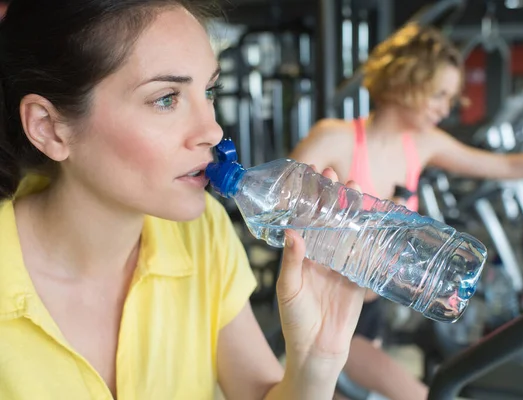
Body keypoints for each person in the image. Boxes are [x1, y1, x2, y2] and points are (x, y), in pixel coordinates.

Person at [0, 1, 369, 399]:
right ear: (49, 128)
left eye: (209, 90)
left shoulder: (201, 232)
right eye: (166, 99)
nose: (212, 130)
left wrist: (316, 361)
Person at [291, 23, 523, 400]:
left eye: (449, 97)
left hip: (373, 310)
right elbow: (282, 211)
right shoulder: (334, 138)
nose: (445, 107)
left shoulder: (421, 144)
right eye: (438, 94)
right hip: (321, 308)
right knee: (424, 394)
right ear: (407, 81)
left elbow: (507, 167)